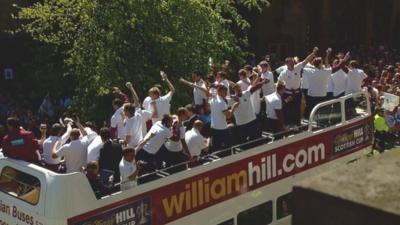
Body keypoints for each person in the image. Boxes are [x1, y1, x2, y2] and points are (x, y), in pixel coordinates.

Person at [278, 47, 318, 125]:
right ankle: (288, 125)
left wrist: (313, 53)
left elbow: (306, 60)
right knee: (288, 110)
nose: (293, 64)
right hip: (287, 93)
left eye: (293, 62)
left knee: (297, 109)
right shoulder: (283, 73)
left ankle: (297, 124)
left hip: (297, 93)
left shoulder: (297, 67)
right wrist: (280, 93)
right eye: (290, 63)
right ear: (287, 64)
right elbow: (279, 82)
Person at [231, 77, 265, 143]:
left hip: (252, 121)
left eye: (239, 89)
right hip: (241, 124)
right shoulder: (232, 99)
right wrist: (232, 96)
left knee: (256, 138)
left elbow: (254, 88)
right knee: (244, 142)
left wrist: (262, 82)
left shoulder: (246, 93)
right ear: (234, 91)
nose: (239, 90)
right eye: (237, 90)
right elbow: (224, 99)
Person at [209, 85, 238, 151]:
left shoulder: (212, 99)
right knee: (228, 146)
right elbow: (228, 116)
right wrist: (234, 107)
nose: (226, 94)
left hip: (213, 127)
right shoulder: (222, 103)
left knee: (216, 147)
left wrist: (232, 97)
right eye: (225, 93)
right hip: (221, 128)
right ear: (220, 92)